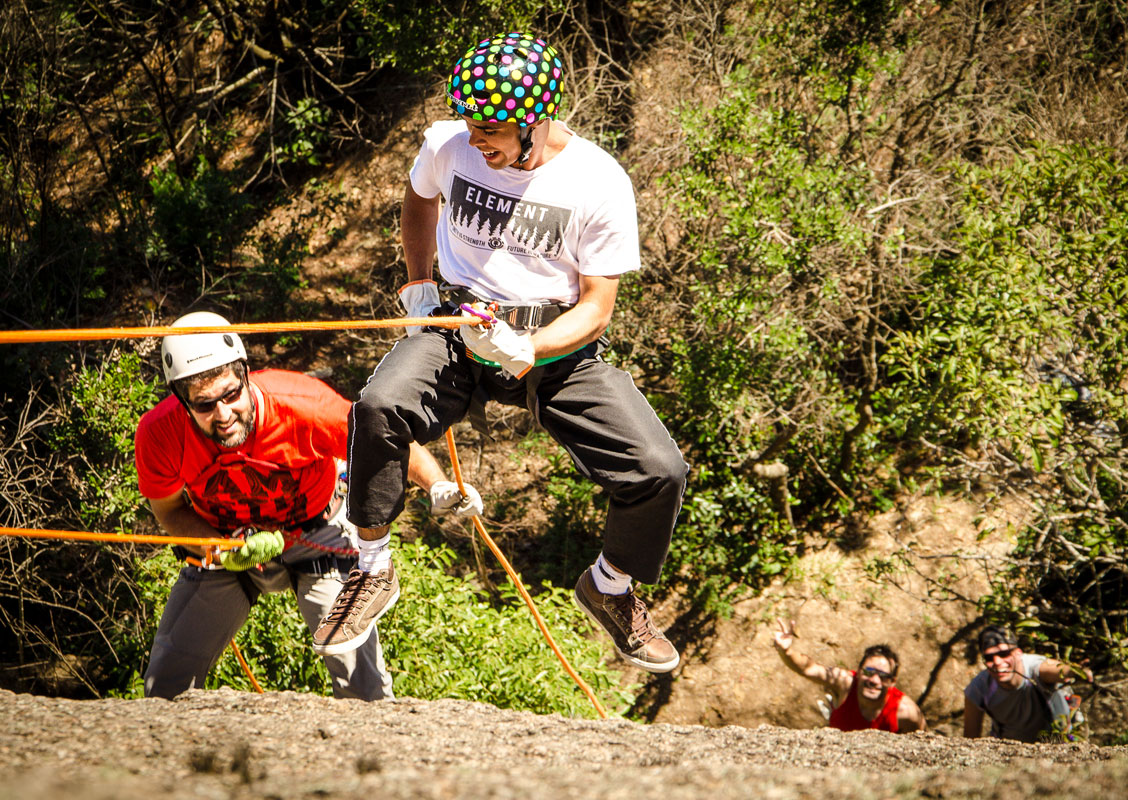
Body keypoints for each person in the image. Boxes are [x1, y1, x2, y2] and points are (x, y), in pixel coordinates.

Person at [311, 31, 688, 673]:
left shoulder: (598, 182)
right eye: (470, 122)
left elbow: (597, 309)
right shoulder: (448, 145)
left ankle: (611, 586)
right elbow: (420, 195)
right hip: (456, 329)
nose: (477, 139)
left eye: (492, 128)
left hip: (552, 347)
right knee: (377, 407)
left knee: (659, 470)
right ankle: (370, 569)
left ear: (535, 122)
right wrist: (419, 281)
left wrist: (528, 346)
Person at [135, 311, 482, 700]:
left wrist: (437, 484)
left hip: (316, 533)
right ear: (181, 401)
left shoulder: (303, 405)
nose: (223, 414)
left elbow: (380, 438)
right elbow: (168, 512)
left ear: (246, 375)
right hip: (229, 543)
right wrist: (218, 546)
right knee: (166, 679)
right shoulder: (159, 434)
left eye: (231, 394)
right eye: (204, 404)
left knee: (359, 677)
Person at [771, 619, 927, 733]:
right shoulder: (845, 683)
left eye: (883, 676)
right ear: (858, 672)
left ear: (892, 682)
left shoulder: (907, 713)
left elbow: (927, 747)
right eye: (868, 672)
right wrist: (786, 651)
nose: (874, 680)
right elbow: (809, 669)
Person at [963, 625, 1088, 742]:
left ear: (1018, 653)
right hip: (1011, 752)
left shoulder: (1034, 667)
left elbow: (1056, 670)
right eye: (989, 658)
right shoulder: (979, 688)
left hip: (1060, 741)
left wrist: (1077, 671)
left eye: (1004, 654)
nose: (997, 661)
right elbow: (970, 740)